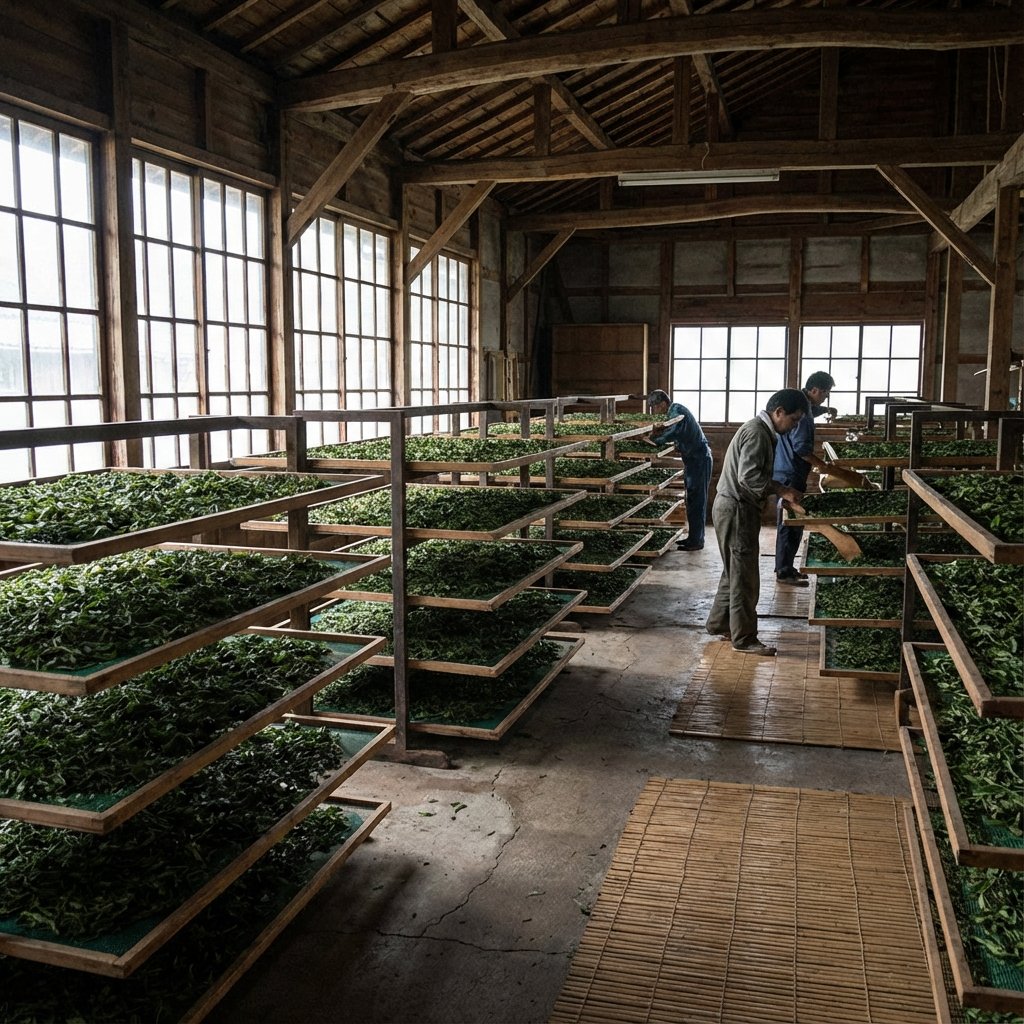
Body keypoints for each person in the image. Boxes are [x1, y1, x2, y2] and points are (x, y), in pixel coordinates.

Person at [705, 389, 807, 657]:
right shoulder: (758, 433)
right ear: (779, 412)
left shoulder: (761, 430)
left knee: (735, 570)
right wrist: (781, 490)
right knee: (745, 577)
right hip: (737, 509)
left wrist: (778, 491)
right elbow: (748, 478)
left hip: (734, 507)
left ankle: (719, 623)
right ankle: (744, 638)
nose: (794, 426)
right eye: (794, 420)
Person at [772, 371, 837, 586]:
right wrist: (823, 466)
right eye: (825, 394)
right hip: (791, 471)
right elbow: (801, 448)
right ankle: (784, 571)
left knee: (790, 520)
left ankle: (785, 566)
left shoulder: (799, 403)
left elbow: (811, 409)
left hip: (784, 468)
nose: (825, 398)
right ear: (815, 390)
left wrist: (826, 410)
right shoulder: (803, 415)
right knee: (790, 522)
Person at [645, 389, 713, 551]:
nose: (654, 411)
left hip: (699, 460)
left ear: (662, 404)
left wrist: (655, 440)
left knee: (697, 500)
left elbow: (674, 432)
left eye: (654, 407)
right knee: (692, 499)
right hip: (693, 460)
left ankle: (697, 541)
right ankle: (693, 538)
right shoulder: (674, 412)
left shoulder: (677, 411)